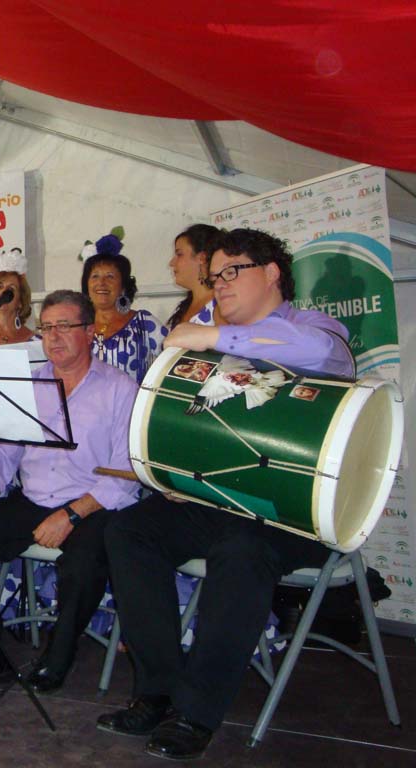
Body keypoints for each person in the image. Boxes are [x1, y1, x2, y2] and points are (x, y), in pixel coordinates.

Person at [98, 228, 355, 760]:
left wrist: (214, 337)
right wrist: (176, 476)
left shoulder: (314, 329)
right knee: (128, 531)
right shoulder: (211, 333)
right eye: (214, 276)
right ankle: (158, 689)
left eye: (232, 271)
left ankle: (196, 713)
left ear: (272, 273)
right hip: (217, 502)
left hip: (293, 513)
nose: (220, 284)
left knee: (240, 551)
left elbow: (319, 354)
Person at [0, 290, 139, 690]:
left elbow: (126, 471)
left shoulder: (119, 388)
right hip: (33, 498)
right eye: (47, 328)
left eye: (64, 326)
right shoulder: (29, 385)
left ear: (90, 331)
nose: (53, 337)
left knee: (84, 562)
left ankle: (57, 659)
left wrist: (71, 515)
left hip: (93, 503)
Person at [81, 235, 167, 383]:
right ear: (86, 285)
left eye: (110, 276)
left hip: (132, 398)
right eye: (95, 276)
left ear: (123, 287)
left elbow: (173, 359)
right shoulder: (77, 326)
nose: (101, 282)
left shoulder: (143, 323)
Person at [167, 224, 221, 329]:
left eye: (179, 254)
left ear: (202, 258)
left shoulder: (222, 305)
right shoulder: (184, 307)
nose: (172, 263)